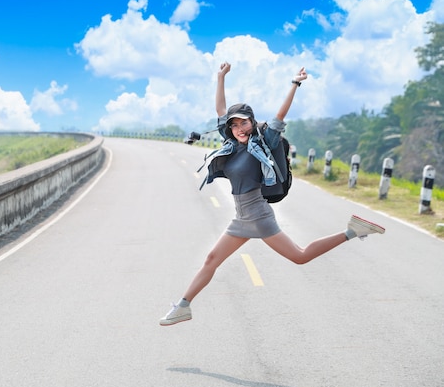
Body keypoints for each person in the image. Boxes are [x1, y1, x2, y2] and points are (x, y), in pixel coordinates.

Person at [160, 62, 385, 326]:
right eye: (234, 125)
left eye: (244, 122)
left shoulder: (265, 142)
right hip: (242, 218)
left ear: (252, 122)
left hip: (258, 215)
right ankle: (183, 306)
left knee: (300, 256)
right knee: (212, 259)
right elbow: (221, 110)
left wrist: (294, 83)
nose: (239, 128)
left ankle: (352, 231)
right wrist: (220, 77)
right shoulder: (231, 144)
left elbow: (279, 116)